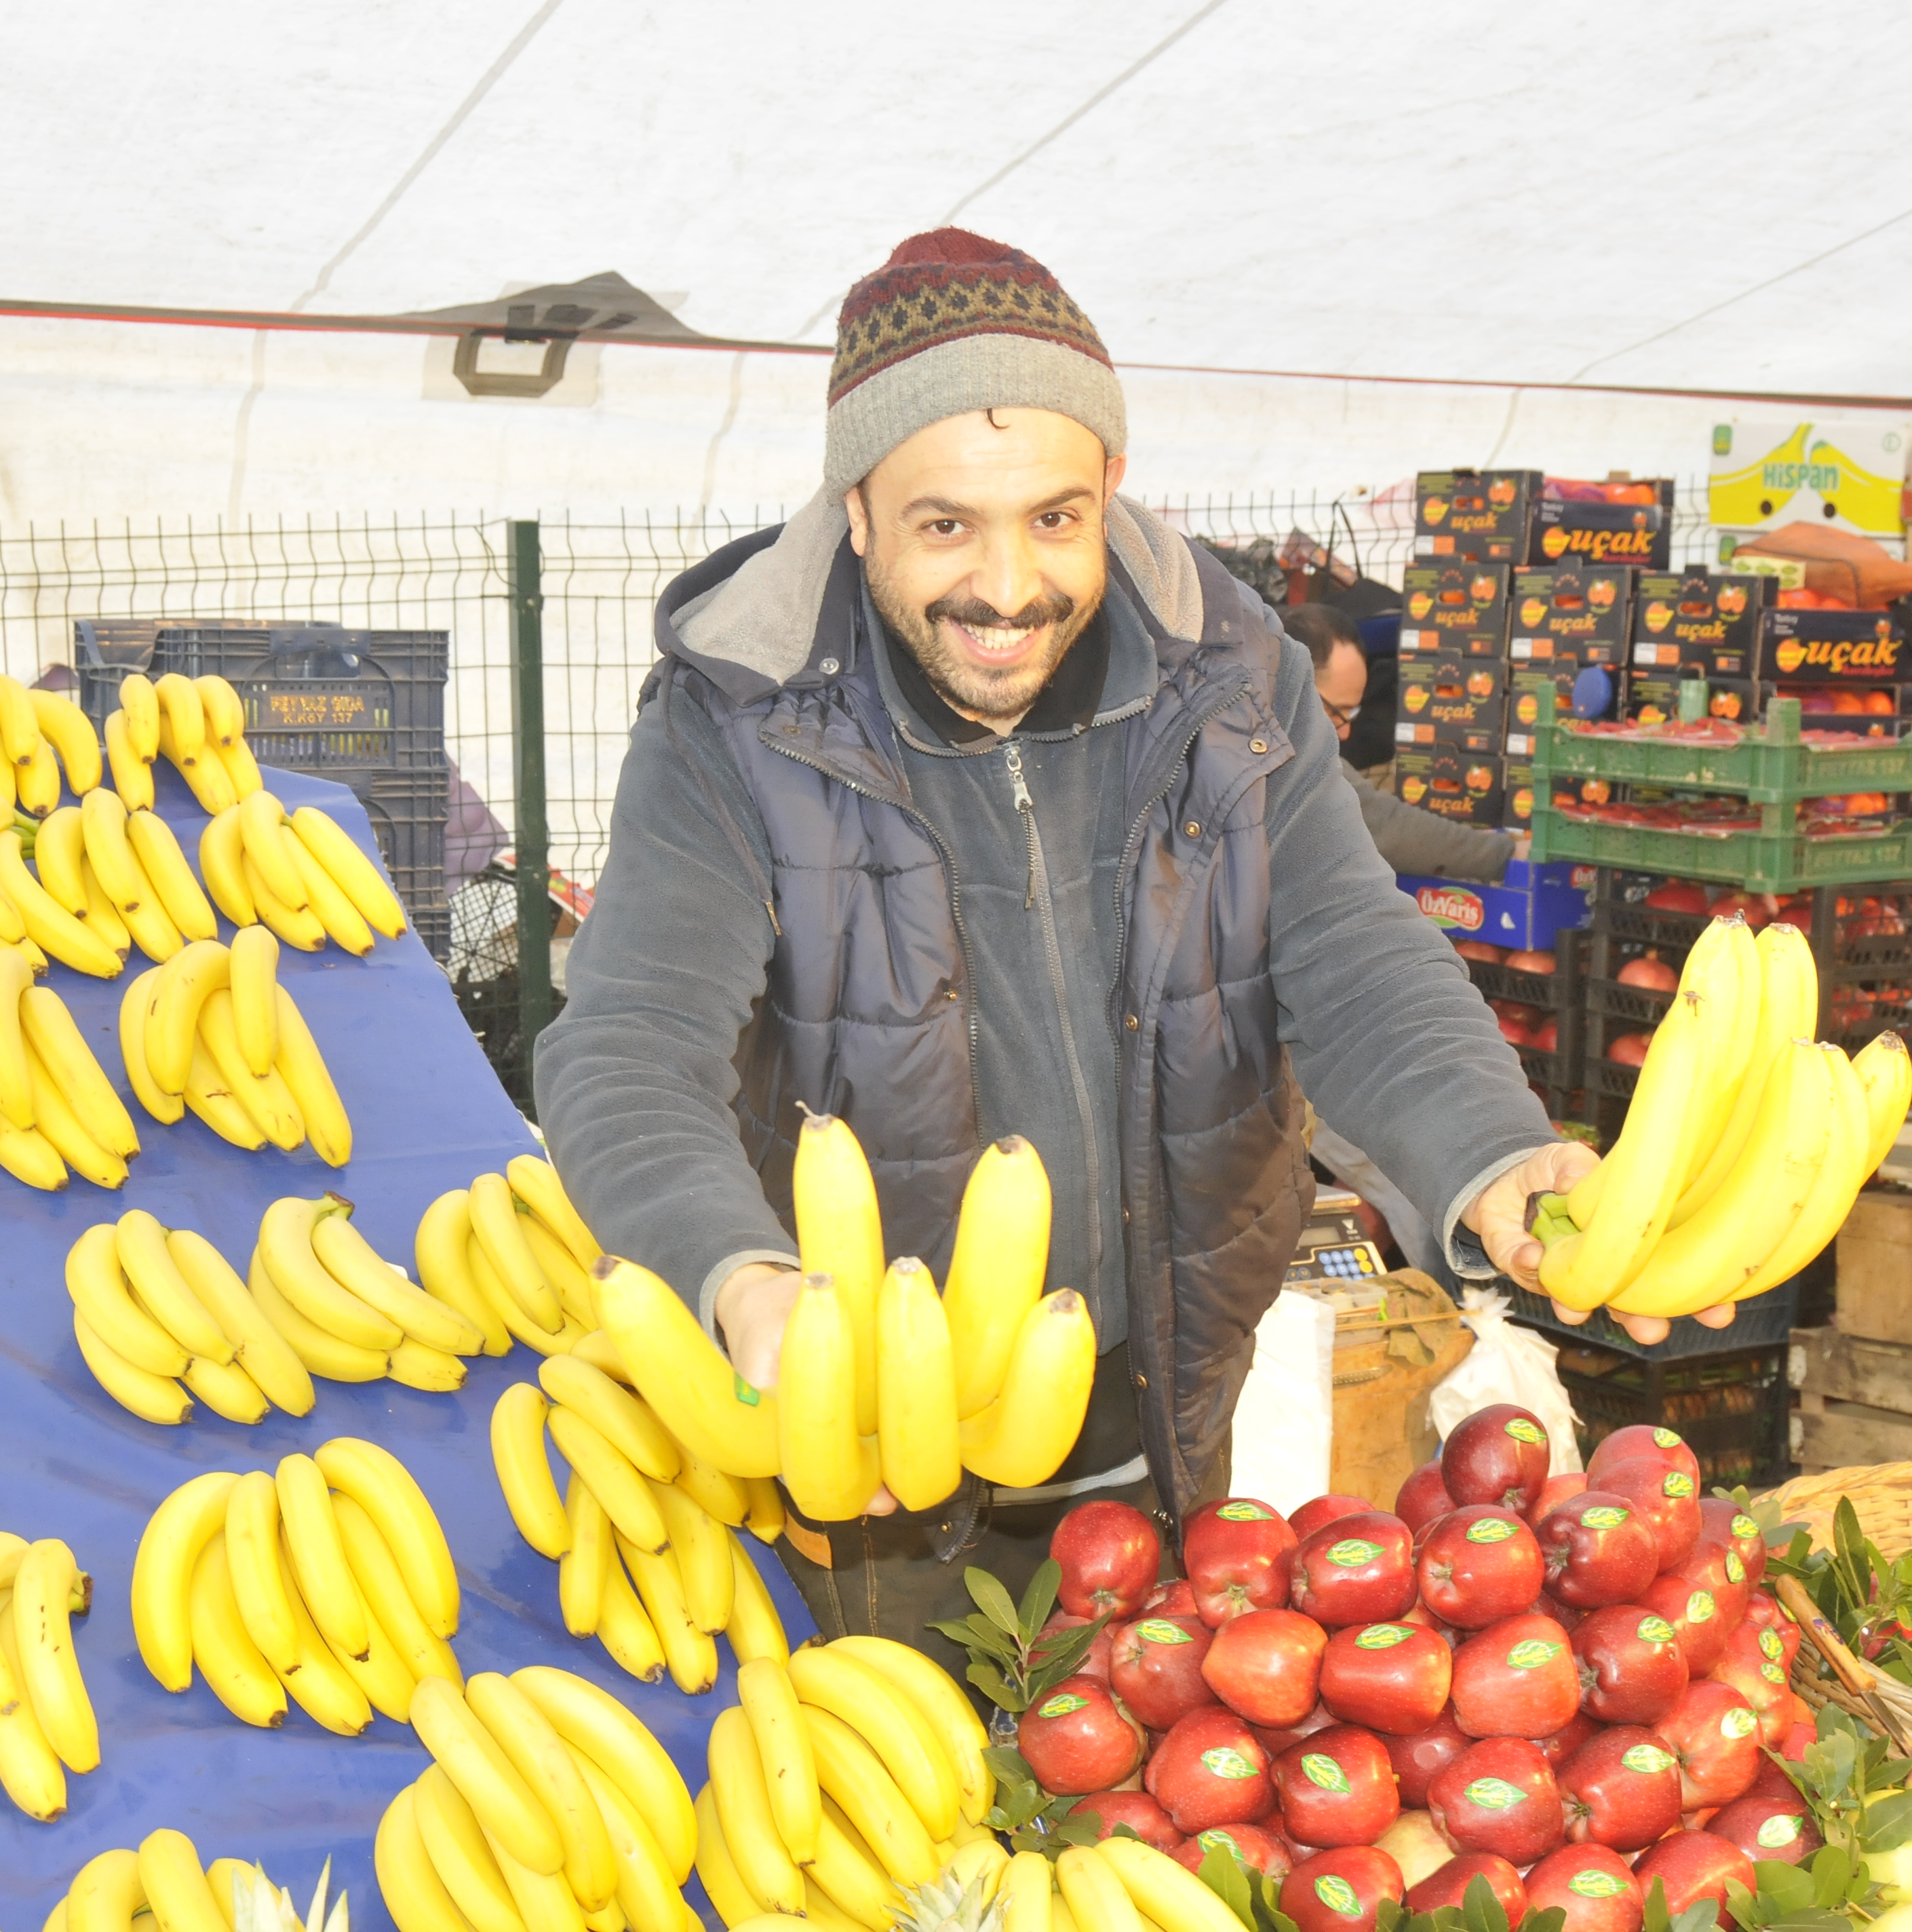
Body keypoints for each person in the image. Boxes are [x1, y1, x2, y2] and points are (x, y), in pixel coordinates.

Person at [534, 228, 1592, 1661]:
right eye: (943, 526)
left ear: (1110, 482)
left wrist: (1490, 1147)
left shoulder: (1230, 671)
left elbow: (1347, 947)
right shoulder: (738, 717)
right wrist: (739, 1277)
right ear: (856, 511)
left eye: (1051, 516)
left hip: (1172, 1390)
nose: (1006, 587)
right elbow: (625, 1045)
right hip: (876, 1440)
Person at [1283, 603, 1519, 885]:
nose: (1345, 733)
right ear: (1292, 686)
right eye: (1337, 712)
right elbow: (1381, 824)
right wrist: (1503, 853)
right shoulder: (1282, 759)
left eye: (1352, 713)